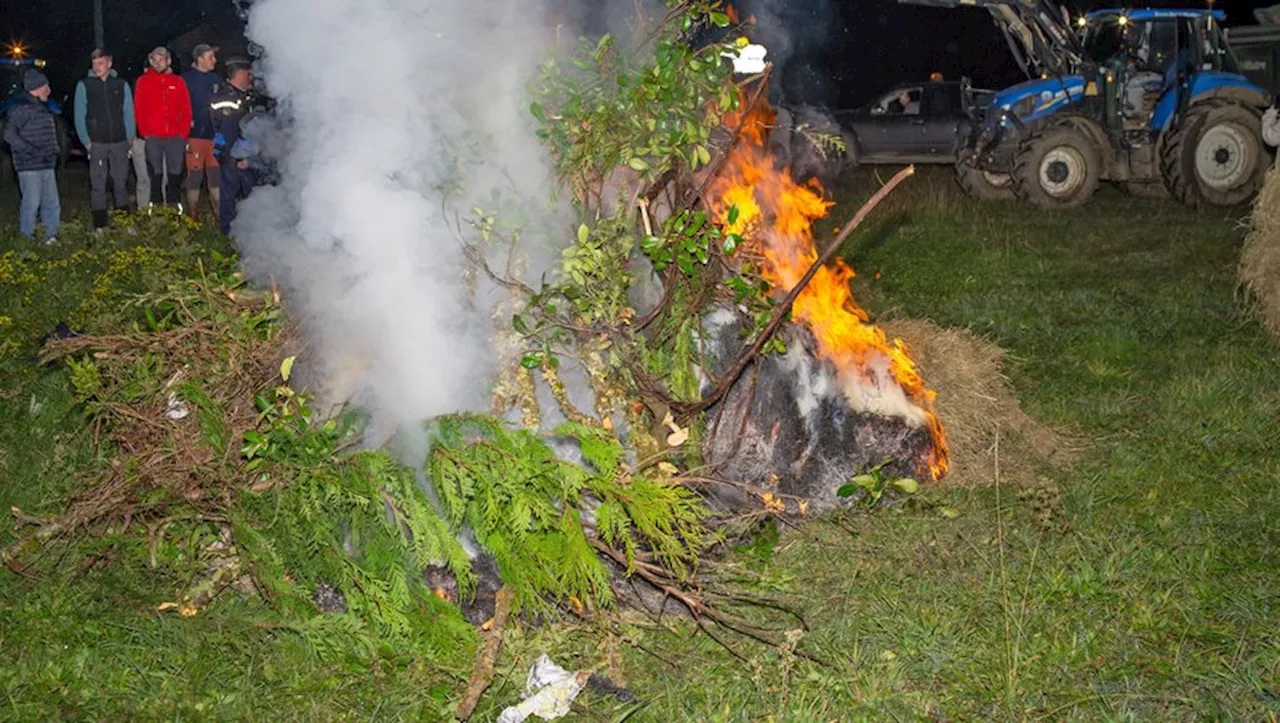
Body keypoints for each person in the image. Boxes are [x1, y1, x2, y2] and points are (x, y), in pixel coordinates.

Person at [74, 48, 136, 229]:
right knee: (98, 185)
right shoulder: (84, 85)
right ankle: (100, 226)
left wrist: (130, 136)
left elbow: (128, 112)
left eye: (100, 63)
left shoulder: (121, 85)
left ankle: (125, 224)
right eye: (94, 63)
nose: (97, 67)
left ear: (109, 63)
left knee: (120, 183)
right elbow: (79, 115)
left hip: (119, 142)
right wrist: (86, 141)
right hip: (97, 143)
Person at [3, 70, 61, 243]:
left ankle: (50, 236)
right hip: (29, 165)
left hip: (46, 163)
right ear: (36, 88)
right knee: (31, 204)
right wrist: (30, 150)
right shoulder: (21, 109)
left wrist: (54, 149)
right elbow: (9, 134)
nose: (49, 90)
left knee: (51, 203)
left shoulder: (43, 107)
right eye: (46, 86)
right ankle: (26, 240)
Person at [134, 46, 192, 211]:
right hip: (154, 137)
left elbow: (186, 109)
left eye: (161, 60)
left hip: (175, 137)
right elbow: (139, 108)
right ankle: (156, 211)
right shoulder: (143, 82)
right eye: (155, 60)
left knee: (174, 176)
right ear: (151, 62)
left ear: (169, 61)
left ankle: (174, 211)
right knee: (155, 176)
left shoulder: (178, 82)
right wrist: (146, 132)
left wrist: (183, 134)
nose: (158, 63)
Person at [210, 58, 257, 235]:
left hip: (243, 154)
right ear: (239, 74)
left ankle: (249, 228)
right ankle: (229, 232)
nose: (251, 77)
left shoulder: (242, 95)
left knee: (248, 193)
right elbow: (229, 131)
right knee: (230, 195)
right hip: (232, 156)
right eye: (248, 74)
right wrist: (239, 157)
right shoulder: (227, 97)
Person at [182, 43, 222, 220]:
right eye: (210, 57)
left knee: (215, 177)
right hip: (194, 137)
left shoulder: (217, 80)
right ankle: (193, 217)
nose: (214, 60)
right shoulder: (186, 80)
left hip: (215, 137)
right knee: (194, 178)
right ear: (199, 59)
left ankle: (219, 215)